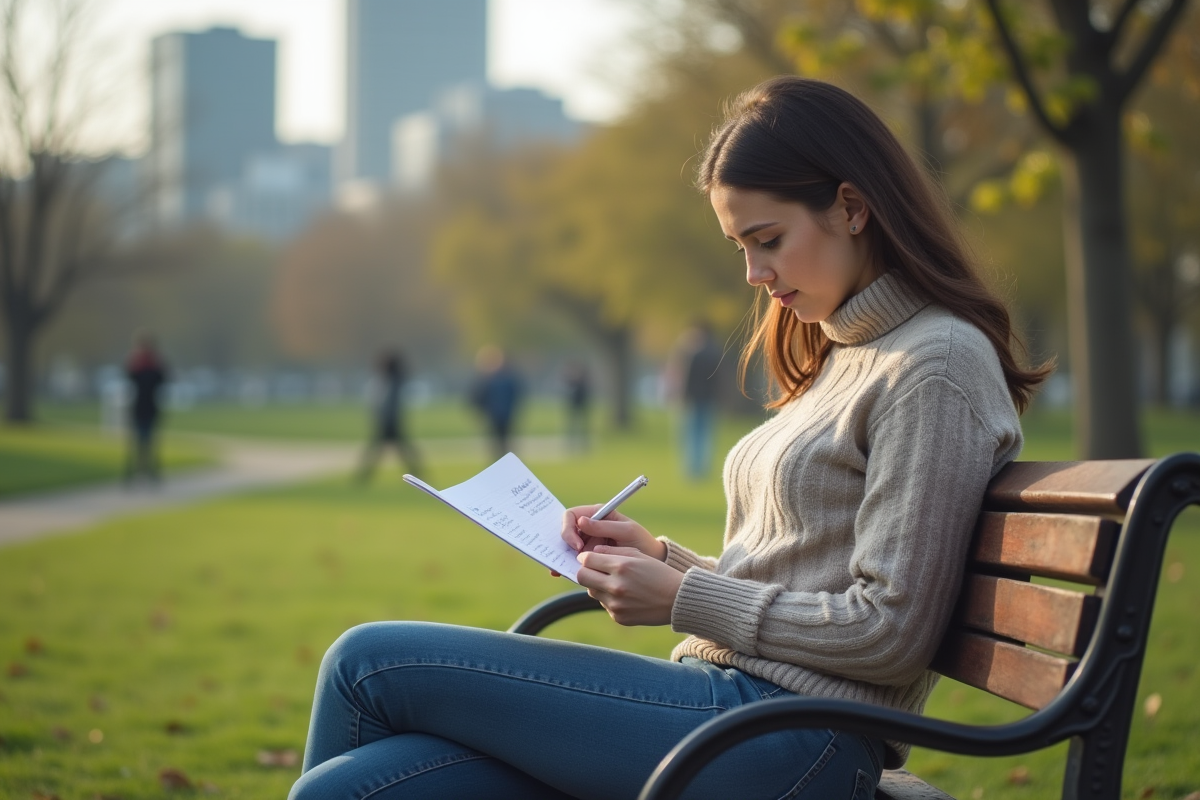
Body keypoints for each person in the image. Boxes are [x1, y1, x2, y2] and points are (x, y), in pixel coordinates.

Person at [289, 77, 1049, 800]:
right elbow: (799, 580)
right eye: (740, 246)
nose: (753, 273)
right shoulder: (850, 352)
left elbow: (889, 631)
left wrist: (683, 596)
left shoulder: (934, 364)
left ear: (851, 207)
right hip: (739, 714)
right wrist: (660, 559)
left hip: (789, 740)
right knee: (343, 789)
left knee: (364, 663)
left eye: (768, 239)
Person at [356, 349, 423, 484]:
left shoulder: (387, 381)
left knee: (377, 452)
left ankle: (362, 478)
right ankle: (417, 476)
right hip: (392, 422)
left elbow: (381, 404)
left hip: (387, 422)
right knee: (403, 453)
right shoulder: (396, 380)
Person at [671, 321, 723, 480]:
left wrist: (681, 397)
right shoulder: (714, 353)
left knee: (691, 434)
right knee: (704, 434)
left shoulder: (692, 354)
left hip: (693, 399)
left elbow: (687, 379)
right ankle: (702, 467)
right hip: (708, 398)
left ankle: (692, 468)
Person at [124, 332, 169, 485]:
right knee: (140, 442)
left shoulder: (151, 365)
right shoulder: (140, 364)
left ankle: (147, 473)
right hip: (142, 407)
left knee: (147, 442)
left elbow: (162, 379)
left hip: (147, 407)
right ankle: (138, 473)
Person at [469, 344, 523, 461]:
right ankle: (502, 461)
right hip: (496, 415)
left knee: (503, 442)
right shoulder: (490, 379)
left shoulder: (502, 378)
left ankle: (505, 460)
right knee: (497, 443)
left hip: (504, 415)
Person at [563, 360, 592, 453]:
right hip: (574, 405)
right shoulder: (572, 382)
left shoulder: (583, 382)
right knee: (572, 425)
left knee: (583, 426)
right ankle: (571, 443)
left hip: (582, 405)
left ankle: (583, 443)